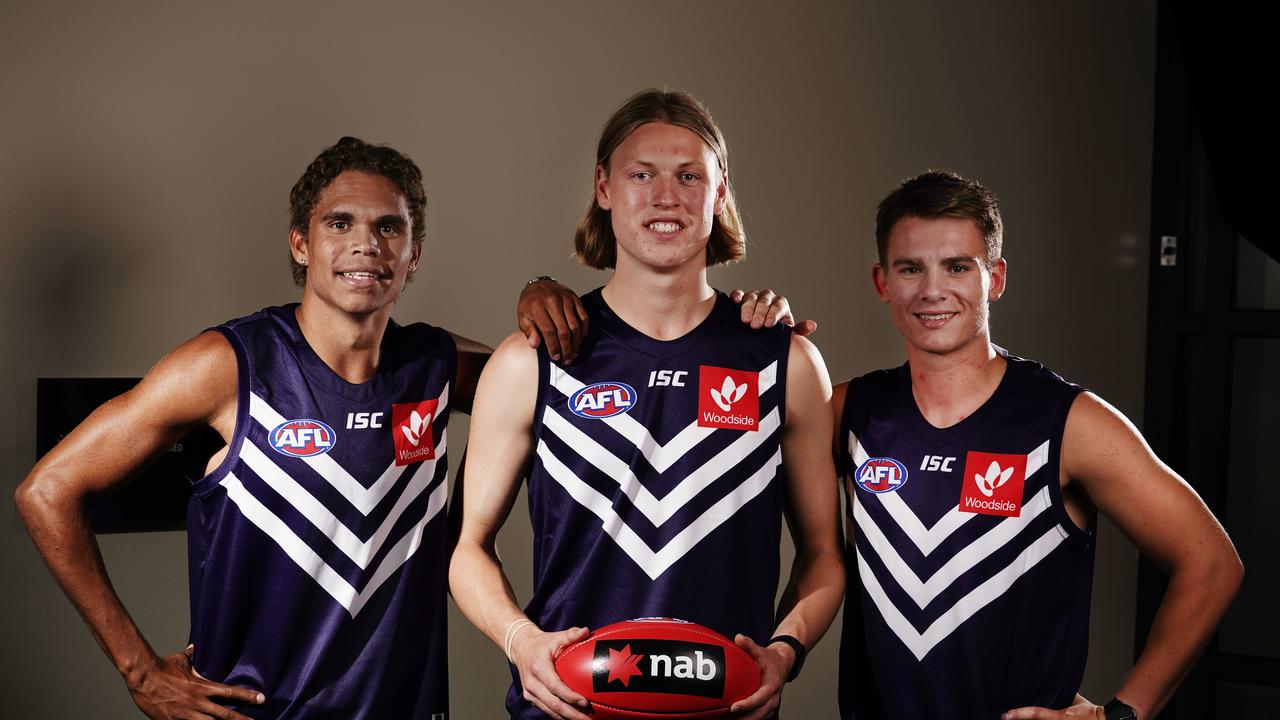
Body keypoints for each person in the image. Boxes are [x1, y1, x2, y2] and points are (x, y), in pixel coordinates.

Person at [12, 136, 637, 719]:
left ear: (413, 252)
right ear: (300, 244)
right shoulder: (228, 366)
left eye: (388, 227)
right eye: (339, 223)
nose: (366, 243)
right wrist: (140, 672)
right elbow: (46, 490)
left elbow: (561, 369)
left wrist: (541, 292)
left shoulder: (435, 364)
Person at [449, 89, 845, 720]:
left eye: (690, 176)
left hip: (724, 706)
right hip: (569, 706)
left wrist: (784, 652)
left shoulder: (785, 361)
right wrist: (520, 641)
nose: (667, 197)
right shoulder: (531, 362)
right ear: (603, 187)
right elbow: (469, 547)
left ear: (719, 195)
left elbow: (824, 554)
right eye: (642, 175)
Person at [834, 171, 1242, 720]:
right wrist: (753, 326)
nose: (932, 290)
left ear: (995, 278)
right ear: (882, 281)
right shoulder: (849, 412)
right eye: (911, 268)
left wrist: (1119, 716)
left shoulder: (1066, 422)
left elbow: (1211, 563)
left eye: (957, 266)